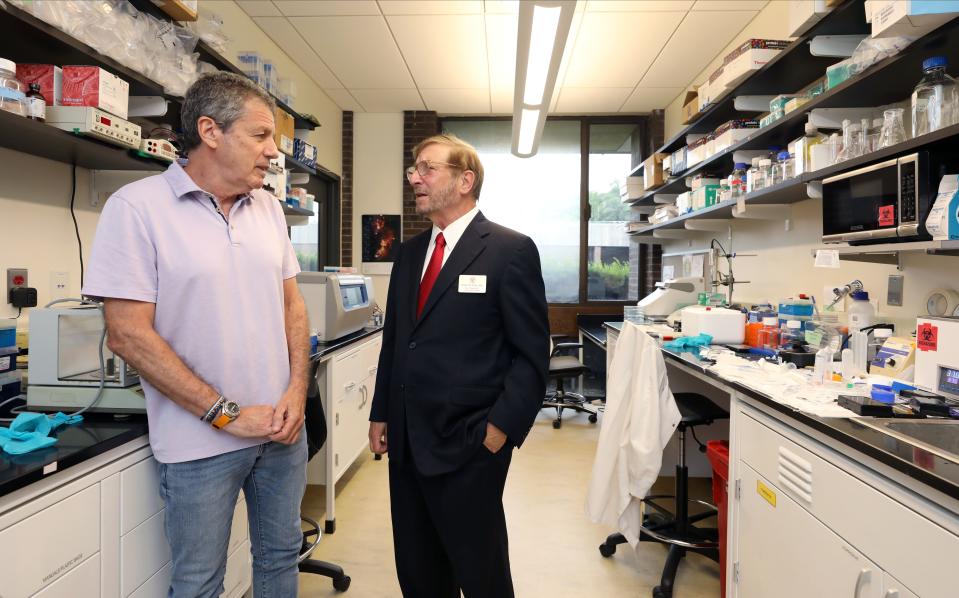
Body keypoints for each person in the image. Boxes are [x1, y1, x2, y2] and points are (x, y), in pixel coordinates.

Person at [82, 72, 310, 598]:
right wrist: (226, 414)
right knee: (199, 582)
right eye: (260, 136)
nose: (274, 152)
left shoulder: (269, 209)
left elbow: (292, 307)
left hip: (281, 430)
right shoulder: (136, 209)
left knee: (279, 561)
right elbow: (127, 335)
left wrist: (297, 391)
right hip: (199, 443)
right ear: (210, 131)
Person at [368, 134, 550, 597]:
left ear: (465, 180)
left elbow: (530, 355)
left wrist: (499, 431)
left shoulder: (510, 251)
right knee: (418, 568)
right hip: (408, 440)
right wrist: (381, 412)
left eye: (427, 168)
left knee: (480, 570)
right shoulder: (408, 254)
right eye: (414, 169)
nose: (415, 178)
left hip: (470, 441)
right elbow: (397, 341)